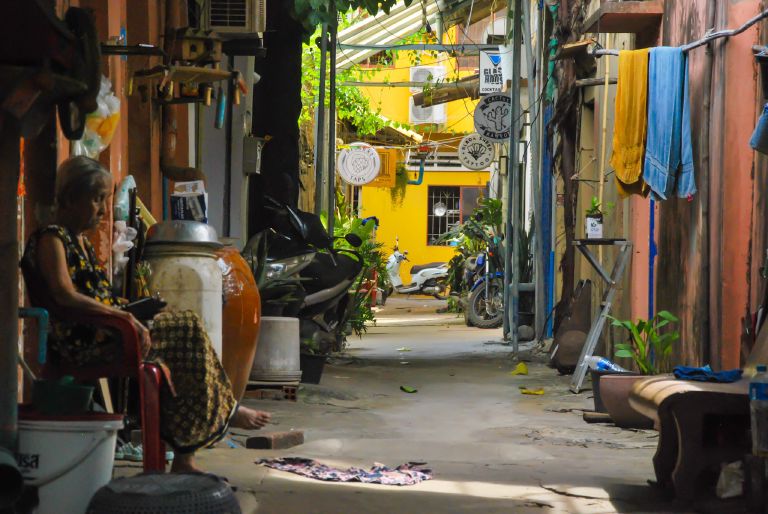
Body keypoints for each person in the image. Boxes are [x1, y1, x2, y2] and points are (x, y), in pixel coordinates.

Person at [21, 156, 270, 473]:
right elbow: (63, 294)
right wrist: (124, 318)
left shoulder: (80, 241)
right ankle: (217, 421)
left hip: (108, 328)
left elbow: (97, 296)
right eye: (96, 200)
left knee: (185, 341)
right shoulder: (51, 238)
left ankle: (190, 450)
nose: (102, 210)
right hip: (84, 340)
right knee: (186, 333)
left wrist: (133, 310)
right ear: (70, 198)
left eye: (105, 200)